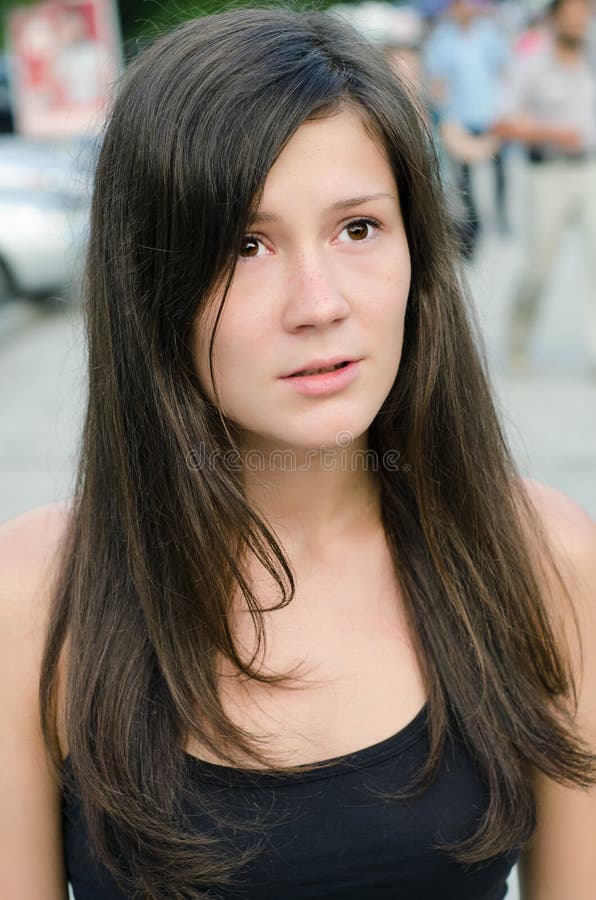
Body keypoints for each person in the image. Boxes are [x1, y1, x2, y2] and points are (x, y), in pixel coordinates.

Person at [1, 7, 596, 899]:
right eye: (248, 244)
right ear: (150, 280)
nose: (318, 304)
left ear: (417, 249)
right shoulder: (36, 595)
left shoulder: (539, 555)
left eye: (358, 228)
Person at [495, 0, 596, 371]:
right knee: (539, 267)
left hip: (590, 172)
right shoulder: (532, 63)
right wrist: (552, 133)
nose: (581, 20)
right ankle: (518, 339)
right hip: (547, 174)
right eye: (573, 13)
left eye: (586, 13)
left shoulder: (591, 57)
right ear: (555, 18)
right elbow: (503, 121)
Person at [423, 0, 511, 257]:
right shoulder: (442, 38)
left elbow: (503, 70)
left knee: (499, 169)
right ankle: (474, 225)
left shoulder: (489, 34)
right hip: (460, 117)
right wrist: (444, 115)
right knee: (464, 177)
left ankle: (501, 215)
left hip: (490, 114)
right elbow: (438, 81)